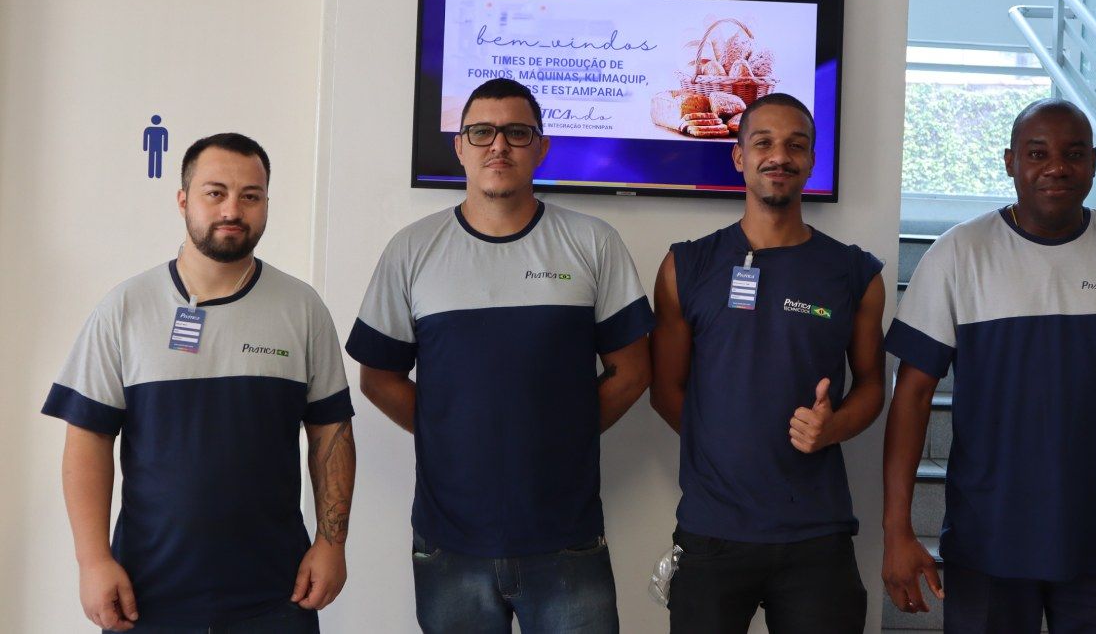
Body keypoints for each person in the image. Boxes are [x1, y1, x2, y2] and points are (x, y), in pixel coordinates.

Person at [882, 99, 1096, 632]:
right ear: (1009, 161)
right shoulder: (957, 255)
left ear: (1093, 162)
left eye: (1073, 153)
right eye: (1036, 153)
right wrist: (896, 531)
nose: (1056, 166)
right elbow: (912, 396)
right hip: (986, 541)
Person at [347, 78, 653, 634]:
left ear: (542, 148)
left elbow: (632, 372)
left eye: (517, 132)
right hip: (449, 542)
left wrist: (567, 432)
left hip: (567, 538)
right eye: (482, 132)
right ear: (460, 147)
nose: (499, 146)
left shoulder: (593, 243)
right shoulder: (412, 250)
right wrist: (450, 434)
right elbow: (378, 376)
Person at [43, 133, 356, 633]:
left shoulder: (302, 309)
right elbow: (89, 437)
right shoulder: (125, 309)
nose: (233, 209)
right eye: (216, 192)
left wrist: (332, 542)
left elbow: (330, 433)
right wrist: (92, 561)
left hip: (276, 593)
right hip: (146, 594)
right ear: (184, 199)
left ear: (266, 204)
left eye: (250, 196)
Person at [650, 93, 886, 633]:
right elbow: (664, 388)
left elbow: (874, 383)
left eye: (795, 145)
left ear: (811, 160)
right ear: (738, 156)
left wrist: (835, 427)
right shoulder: (686, 265)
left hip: (816, 535)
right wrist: (723, 445)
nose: (779, 156)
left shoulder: (854, 273)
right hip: (712, 532)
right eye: (763, 143)